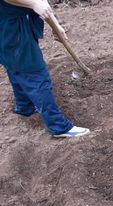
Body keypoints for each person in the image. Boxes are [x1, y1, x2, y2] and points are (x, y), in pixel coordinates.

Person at [0, 0, 90, 137]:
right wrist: (33, 4)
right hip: (10, 29)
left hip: (15, 24)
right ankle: (59, 127)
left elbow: (40, 1)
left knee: (17, 67)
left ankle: (25, 107)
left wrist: (54, 24)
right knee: (36, 75)